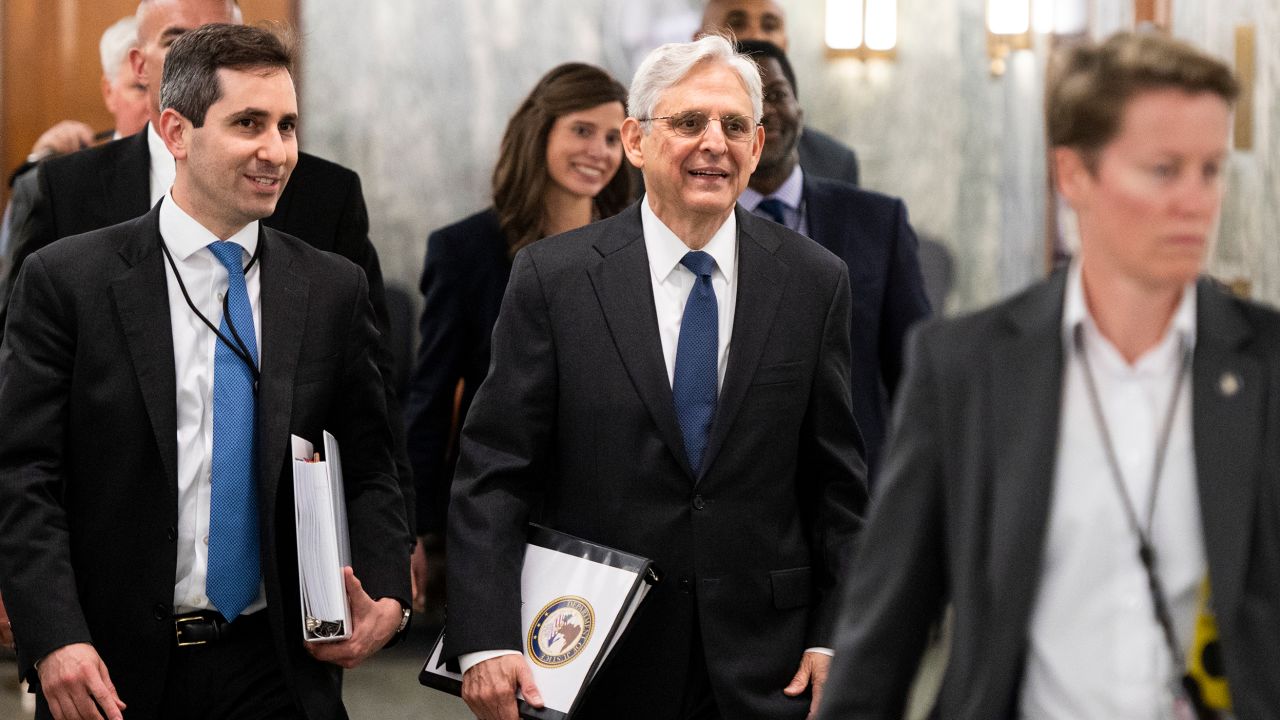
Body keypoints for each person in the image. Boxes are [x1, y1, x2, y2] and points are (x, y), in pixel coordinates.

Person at [817, 32, 1280, 719]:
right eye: (1163, 169)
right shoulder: (966, 367)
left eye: (1211, 170)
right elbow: (884, 632)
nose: (1195, 200)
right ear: (1074, 176)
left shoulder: (1265, 364)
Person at [444, 34, 867, 720]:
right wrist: (485, 638)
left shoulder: (815, 282)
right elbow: (494, 472)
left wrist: (836, 635)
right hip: (596, 662)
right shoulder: (554, 279)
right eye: (690, 122)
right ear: (636, 141)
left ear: (757, 148)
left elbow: (837, 490)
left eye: (734, 126)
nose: (714, 143)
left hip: (766, 667)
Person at [0, 23, 410, 720]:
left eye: (286, 125)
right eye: (248, 123)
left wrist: (389, 592)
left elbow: (373, 460)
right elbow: (22, 471)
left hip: (275, 666)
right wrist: (55, 635)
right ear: (175, 131)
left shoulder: (330, 288)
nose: (276, 151)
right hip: (107, 669)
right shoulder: (68, 280)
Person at [402, 62, 631, 608]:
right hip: (504, 508)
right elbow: (431, 400)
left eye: (612, 138)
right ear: (540, 130)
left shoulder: (638, 248)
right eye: (581, 130)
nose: (598, 151)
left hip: (619, 512)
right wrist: (412, 525)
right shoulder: (464, 251)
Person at [737, 39, 930, 478]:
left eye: (777, 95)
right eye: (746, 101)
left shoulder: (878, 223)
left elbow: (914, 374)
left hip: (855, 483)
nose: (765, 111)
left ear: (800, 111)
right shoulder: (701, 226)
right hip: (739, 492)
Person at [698, 0, 861, 186]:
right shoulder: (681, 154)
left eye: (769, 26)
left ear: (784, 43)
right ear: (700, 41)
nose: (756, 36)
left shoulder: (834, 162)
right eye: (737, 23)